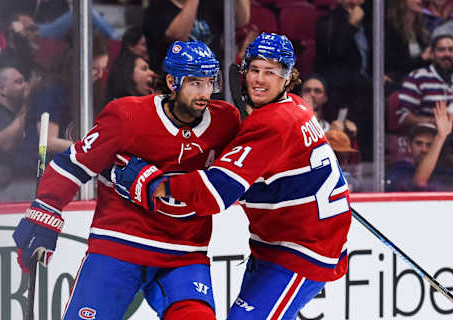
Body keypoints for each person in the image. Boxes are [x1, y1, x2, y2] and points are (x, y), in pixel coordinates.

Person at [112, 32, 352, 319]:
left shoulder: (272, 123)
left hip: (301, 251)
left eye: (270, 72)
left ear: (289, 77)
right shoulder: (295, 105)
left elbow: (216, 193)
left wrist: (153, 184)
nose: (259, 79)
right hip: (285, 243)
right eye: (254, 69)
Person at [12, 40, 241, 319]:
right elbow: (74, 164)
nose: (205, 93)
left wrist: (256, 117)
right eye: (195, 83)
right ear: (172, 81)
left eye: (210, 82)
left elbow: (247, 169)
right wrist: (45, 212)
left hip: (185, 253)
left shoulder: (226, 121)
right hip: (120, 245)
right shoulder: (127, 115)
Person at [15, 32, 109, 177]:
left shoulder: (85, 93)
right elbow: (48, 141)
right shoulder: (51, 90)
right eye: (95, 68)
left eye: (104, 69)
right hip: (35, 173)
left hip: (64, 172)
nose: (100, 75)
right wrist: (91, 150)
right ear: (76, 66)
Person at [314, 0, 373, 160]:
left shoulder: (372, 22)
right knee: (365, 90)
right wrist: (352, 25)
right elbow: (334, 53)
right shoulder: (328, 22)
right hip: (339, 83)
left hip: (365, 82)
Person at [143, 0, 250, 72]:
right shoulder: (157, 7)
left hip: (211, 82)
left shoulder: (209, 4)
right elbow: (178, 36)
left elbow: (240, 20)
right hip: (176, 86)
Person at [0, 63, 35, 201]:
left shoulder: (15, 115)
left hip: (22, 183)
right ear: (3, 90)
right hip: (4, 190)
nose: (26, 85)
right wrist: (27, 102)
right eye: (19, 82)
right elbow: (3, 143)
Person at [387, 100, 453, 191]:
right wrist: (441, 136)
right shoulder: (399, 169)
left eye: (429, 145)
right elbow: (420, 181)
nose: (424, 149)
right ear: (409, 147)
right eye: (419, 143)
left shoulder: (443, 173)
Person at [397, 34, 453, 132]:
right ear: (431, 54)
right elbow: (403, 117)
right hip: (429, 137)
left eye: (451, 50)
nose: (447, 54)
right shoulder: (418, 77)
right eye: (441, 50)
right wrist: (434, 122)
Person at [385, 0, 431, 92]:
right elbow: (395, 64)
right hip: (399, 79)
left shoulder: (420, 26)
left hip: (419, 77)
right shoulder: (390, 27)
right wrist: (422, 58)